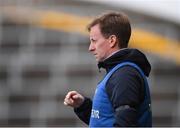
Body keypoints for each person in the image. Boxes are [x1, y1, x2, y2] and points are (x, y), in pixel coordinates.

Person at [64, 11, 152, 127]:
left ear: (112, 40)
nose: (90, 48)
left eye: (94, 41)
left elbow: (125, 124)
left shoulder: (124, 75)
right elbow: (106, 119)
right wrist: (83, 105)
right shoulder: (119, 71)